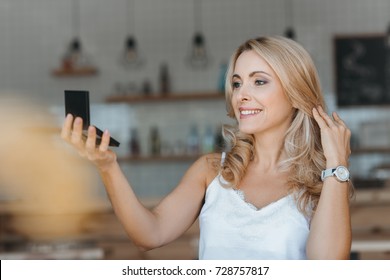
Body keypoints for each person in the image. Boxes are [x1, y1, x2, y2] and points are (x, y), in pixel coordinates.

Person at [61, 36, 353, 260]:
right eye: (237, 83)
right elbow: (149, 234)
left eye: (259, 82)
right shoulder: (212, 171)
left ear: (295, 93)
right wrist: (107, 166)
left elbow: (326, 266)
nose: (242, 95)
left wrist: (337, 163)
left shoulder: (323, 181)